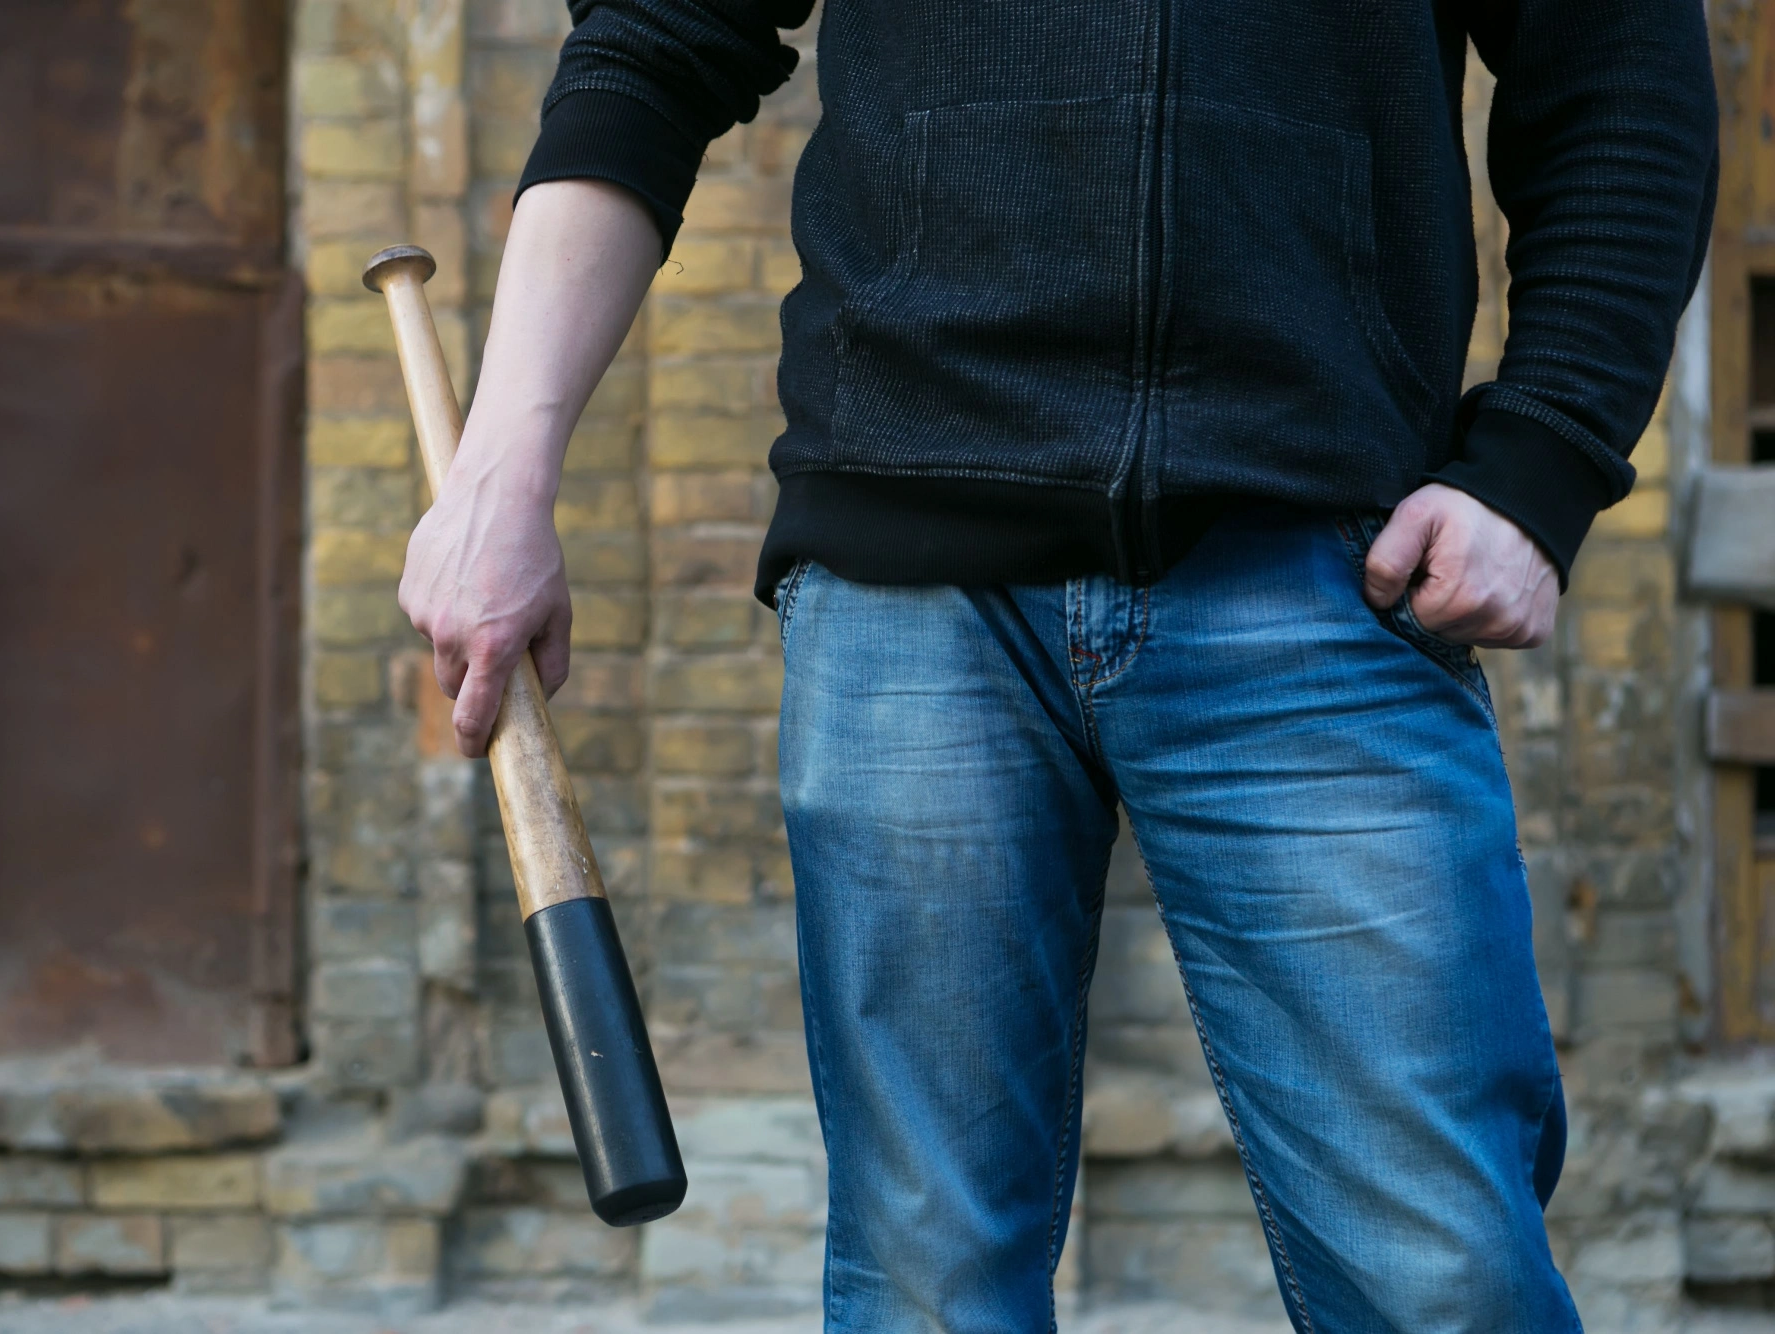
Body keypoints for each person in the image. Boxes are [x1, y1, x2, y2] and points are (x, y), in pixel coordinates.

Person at [397, 1, 1718, 1328]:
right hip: (910, 584)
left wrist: (1544, 454)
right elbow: (652, 39)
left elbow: (1619, 66)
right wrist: (503, 478)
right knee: (930, 1284)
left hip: (1321, 570)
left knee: (1446, 1278)